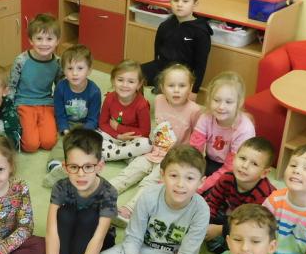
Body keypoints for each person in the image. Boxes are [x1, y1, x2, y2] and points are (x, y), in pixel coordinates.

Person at [92, 145, 208, 254]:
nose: (180, 184)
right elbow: (133, 237)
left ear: (201, 182)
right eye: (174, 175)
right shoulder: (148, 196)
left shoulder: (201, 210)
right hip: (143, 251)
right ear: (162, 175)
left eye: (189, 178)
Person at [35, 129, 118, 254]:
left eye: (88, 167)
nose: (81, 174)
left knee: (88, 216)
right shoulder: (60, 187)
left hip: (96, 237)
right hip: (71, 230)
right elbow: (51, 232)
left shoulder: (108, 192)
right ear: (65, 167)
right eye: (74, 167)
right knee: (64, 214)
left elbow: (98, 239)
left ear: (100, 166)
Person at [110, 63, 200, 224]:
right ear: (162, 87)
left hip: (174, 158)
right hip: (154, 151)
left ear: (190, 87)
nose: (176, 90)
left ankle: (129, 209)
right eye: (171, 86)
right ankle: (102, 192)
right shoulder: (159, 100)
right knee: (132, 170)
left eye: (182, 86)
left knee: (151, 181)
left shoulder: (194, 110)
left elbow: (197, 137)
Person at [202, 137, 275, 254]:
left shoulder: (264, 194)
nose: (245, 166)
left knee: (250, 239)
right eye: (242, 158)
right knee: (204, 207)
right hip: (233, 212)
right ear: (234, 158)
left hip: (254, 222)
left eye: (254, 164)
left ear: (264, 173)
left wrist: (219, 230)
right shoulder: (227, 178)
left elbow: (251, 223)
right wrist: (206, 223)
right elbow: (213, 201)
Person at [44, 45, 102, 187]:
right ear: (63, 70)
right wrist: (65, 130)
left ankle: (83, 170)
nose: (74, 73)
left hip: (86, 126)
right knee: (61, 144)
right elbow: (60, 113)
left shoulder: (94, 91)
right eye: (70, 68)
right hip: (67, 124)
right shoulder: (60, 88)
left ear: (89, 70)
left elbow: (93, 118)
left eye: (80, 68)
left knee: (87, 148)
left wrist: (83, 132)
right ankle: (55, 167)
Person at [141, 0, 213, 94]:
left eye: (185, 1)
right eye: (176, 0)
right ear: (171, 1)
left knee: (170, 90)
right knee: (133, 75)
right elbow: (157, 53)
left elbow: (200, 66)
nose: (179, 4)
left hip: (182, 74)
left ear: (195, 4)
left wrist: (194, 91)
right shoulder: (165, 25)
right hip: (162, 68)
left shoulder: (201, 32)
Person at [189, 71, 255, 193]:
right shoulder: (206, 117)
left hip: (236, 168)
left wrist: (203, 186)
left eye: (228, 102)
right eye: (216, 100)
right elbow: (194, 150)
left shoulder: (245, 129)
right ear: (209, 99)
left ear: (239, 102)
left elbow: (231, 167)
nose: (221, 107)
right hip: (210, 161)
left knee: (213, 193)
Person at [7, 13, 63, 152]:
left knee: (49, 143)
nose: (44, 44)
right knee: (31, 146)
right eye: (39, 38)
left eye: (49, 39)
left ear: (57, 41)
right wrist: (8, 110)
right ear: (31, 40)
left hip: (46, 104)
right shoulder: (21, 60)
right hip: (24, 104)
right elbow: (11, 86)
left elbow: (60, 87)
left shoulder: (58, 62)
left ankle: (39, 127)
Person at [97, 59, 152, 163]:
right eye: (120, 80)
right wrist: (117, 135)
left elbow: (144, 132)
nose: (124, 85)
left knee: (147, 144)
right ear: (113, 81)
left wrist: (119, 127)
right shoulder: (109, 98)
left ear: (139, 84)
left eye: (131, 82)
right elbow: (103, 123)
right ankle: (125, 155)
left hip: (131, 140)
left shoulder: (142, 105)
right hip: (112, 136)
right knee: (93, 135)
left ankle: (109, 155)